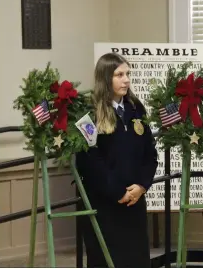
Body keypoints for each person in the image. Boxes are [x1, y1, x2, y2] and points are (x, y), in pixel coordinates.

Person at [76, 52, 158, 267]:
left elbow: (150, 154)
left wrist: (141, 185)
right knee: (108, 259)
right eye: (119, 74)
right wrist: (117, 191)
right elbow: (89, 160)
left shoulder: (135, 108)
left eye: (127, 74)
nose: (126, 80)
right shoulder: (90, 113)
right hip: (104, 204)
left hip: (134, 201)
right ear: (105, 78)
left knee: (136, 259)